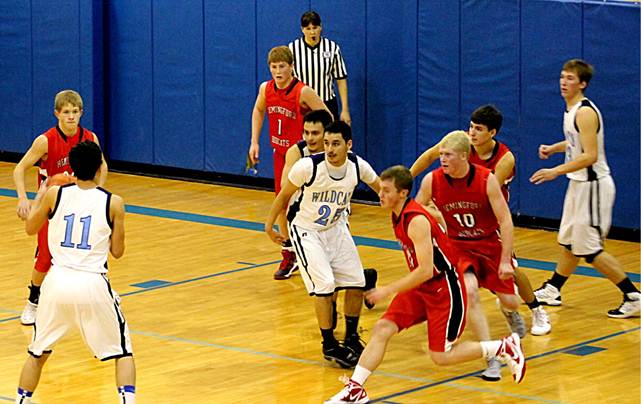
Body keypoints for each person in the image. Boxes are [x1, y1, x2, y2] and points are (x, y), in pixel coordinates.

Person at [325, 166, 525, 403]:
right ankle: (356, 389)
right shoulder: (397, 213)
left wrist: (387, 290)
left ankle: (503, 347)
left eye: (387, 191)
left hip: (445, 289)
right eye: (381, 189)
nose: (381, 194)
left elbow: (425, 270)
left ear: (403, 193)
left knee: (440, 356)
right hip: (423, 288)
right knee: (382, 329)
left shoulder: (415, 220)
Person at [411, 105, 551, 340]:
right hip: (460, 223)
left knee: (512, 272)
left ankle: (536, 309)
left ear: (492, 133)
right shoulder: (460, 143)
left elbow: (483, 195)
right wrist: (407, 177)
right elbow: (428, 156)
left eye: (478, 129)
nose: (472, 133)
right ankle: (446, 317)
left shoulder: (505, 158)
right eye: (471, 127)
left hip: (489, 224)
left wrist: (440, 209)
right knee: (452, 273)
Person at [15, 141, 135, 404]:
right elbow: (117, 252)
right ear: (99, 168)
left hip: (56, 282)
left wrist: (41, 194)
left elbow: (30, 229)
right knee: (123, 351)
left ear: (73, 167)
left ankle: (21, 401)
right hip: (92, 281)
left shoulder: (54, 195)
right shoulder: (113, 202)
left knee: (37, 353)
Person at [530, 59, 640, 318]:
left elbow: (590, 155)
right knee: (569, 242)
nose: (563, 82)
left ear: (583, 83)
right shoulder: (570, 109)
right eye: (561, 77)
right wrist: (553, 148)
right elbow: (574, 142)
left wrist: (555, 170)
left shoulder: (585, 112)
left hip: (593, 187)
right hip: (578, 185)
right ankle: (554, 289)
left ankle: (633, 295)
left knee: (589, 249)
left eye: (569, 78)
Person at [265, 121, 380, 368]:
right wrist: (269, 225)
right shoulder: (308, 167)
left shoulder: (358, 167)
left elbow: (383, 190)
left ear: (348, 145)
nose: (329, 148)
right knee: (326, 284)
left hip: (336, 228)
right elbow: (284, 196)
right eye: (327, 143)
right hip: (306, 230)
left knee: (357, 281)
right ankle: (328, 344)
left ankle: (350, 336)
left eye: (336, 143)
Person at [415, 130, 524, 382]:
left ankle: (510, 313)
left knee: (511, 301)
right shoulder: (433, 181)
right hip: (458, 247)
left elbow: (505, 221)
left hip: (489, 244)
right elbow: (417, 212)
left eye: (448, 155)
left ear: (464, 156)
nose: (442, 159)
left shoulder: (486, 180)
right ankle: (492, 358)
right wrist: (431, 217)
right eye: (440, 154)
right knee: (470, 292)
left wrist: (506, 259)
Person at [13, 89, 108, 326]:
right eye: (66, 112)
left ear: (81, 113)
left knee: (88, 251)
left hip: (78, 202)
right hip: (51, 203)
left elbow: (103, 167)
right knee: (45, 256)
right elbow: (19, 169)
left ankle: (91, 301)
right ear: (57, 113)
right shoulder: (45, 140)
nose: (71, 117)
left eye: (75, 112)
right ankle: (33, 300)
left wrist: (97, 192)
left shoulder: (89, 138)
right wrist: (23, 198)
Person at [280, 110, 378, 317]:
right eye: (306, 133)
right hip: (307, 218)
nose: (309, 138)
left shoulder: (349, 159)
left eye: (315, 133)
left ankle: (358, 284)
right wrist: (283, 234)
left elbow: (378, 187)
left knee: (337, 277)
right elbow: (283, 194)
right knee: (326, 281)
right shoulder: (298, 154)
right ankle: (331, 321)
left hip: (337, 217)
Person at [249, 45, 331, 280]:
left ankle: (319, 250)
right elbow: (258, 110)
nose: (277, 71)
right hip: (280, 153)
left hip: (303, 155)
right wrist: (254, 142)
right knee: (283, 204)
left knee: (309, 205)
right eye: (273, 67)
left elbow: (327, 117)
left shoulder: (303, 91)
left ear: (291, 67)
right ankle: (289, 253)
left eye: (282, 66)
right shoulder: (266, 89)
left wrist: (324, 144)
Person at [289, 11, 351, 124]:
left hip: (327, 103)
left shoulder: (332, 47)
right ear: (302, 29)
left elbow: (341, 79)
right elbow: (288, 80)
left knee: (328, 139)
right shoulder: (293, 49)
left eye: (315, 27)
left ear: (321, 27)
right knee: (303, 140)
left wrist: (345, 109)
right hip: (302, 105)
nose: (312, 32)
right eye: (308, 28)